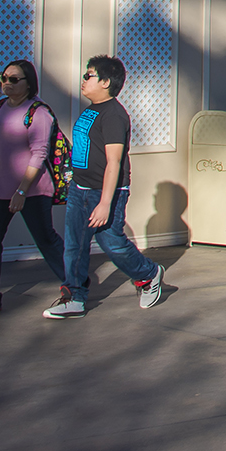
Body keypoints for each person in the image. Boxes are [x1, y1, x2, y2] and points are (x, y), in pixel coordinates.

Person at [44, 56, 167, 319]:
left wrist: (104, 203)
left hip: (105, 193)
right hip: (80, 190)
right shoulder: (91, 110)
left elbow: (114, 163)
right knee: (74, 245)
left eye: (88, 75)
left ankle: (148, 274)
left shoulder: (114, 115)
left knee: (112, 243)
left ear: (105, 82)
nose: (83, 80)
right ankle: (74, 297)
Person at [0, 60, 66, 314]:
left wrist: (21, 191)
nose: (6, 83)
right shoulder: (0, 107)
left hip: (32, 191)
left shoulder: (38, 113)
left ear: (29, 84)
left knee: (46, 240)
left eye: (14, 79)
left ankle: (77, 283)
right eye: (4, 77)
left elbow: (40, 154)